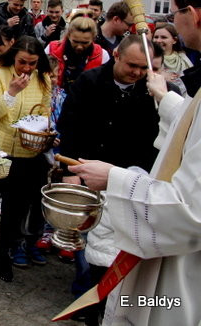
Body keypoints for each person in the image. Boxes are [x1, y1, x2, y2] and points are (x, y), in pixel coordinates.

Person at [68, 0, 201, 325]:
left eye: (174, 13)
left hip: (180, 282)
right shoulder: (94, 83)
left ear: (193, 14)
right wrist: (170, 101)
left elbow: (190, 213)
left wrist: (114, 177)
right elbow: (192, 131)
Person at [57, 36, 160, 324]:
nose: (137, 73)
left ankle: (109, 297)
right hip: (88, 171)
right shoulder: (89, 82)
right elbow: (69, 126)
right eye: (131, 65)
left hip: (130, 177)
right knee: (87, 237)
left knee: (118, 242)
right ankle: (86, 296)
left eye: (143, 67)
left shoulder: (152, 92)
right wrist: (71, 172)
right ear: (116, 55)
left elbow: (155, 139)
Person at [0, 36, 52, 283]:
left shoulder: (43, 79)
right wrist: (12, 92)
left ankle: (2, 257)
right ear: (14, 58)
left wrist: (44, 131)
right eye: (22, 62)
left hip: (27, 153)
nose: (26, 68)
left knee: (14, 213)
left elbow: (43, 114)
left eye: (32, 63)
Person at [46, 16, 109, 89]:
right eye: (75, 42)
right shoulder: (51, 49)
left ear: (93, 38)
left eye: (85, 43)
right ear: (68, 35)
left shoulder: (102, 55)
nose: (79, 47)